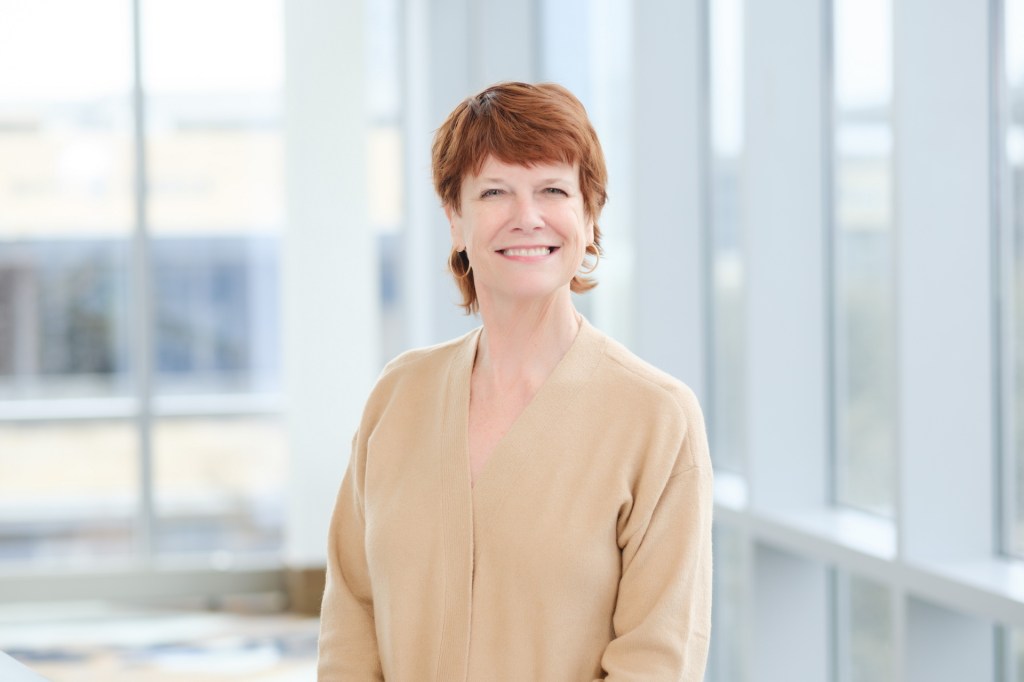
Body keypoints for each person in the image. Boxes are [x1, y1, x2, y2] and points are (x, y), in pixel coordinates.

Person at [317, 81, 713, 681]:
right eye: (494, 191)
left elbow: (657, 659)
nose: (526, 217)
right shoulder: (398, 398)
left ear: (588, 214)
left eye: (552, 189)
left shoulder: (656, 418)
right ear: (455, 219)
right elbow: (350, 618)